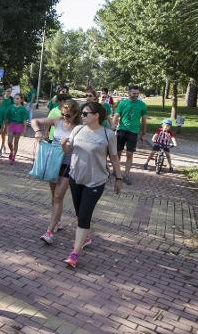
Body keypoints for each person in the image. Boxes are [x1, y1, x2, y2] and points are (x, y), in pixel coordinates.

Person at [62, 102, 122, 268]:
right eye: (82, 113)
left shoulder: (108, 134)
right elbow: (68, 150)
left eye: (85, 113)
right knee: (79, 212)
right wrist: (63, 145)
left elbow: (114, 157)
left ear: (96, 116)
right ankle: (85, 237)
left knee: (84, 215)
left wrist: (119, 178)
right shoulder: (78, 130)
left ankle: (74, 254)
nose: (82, 116)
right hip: (75, 177)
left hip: (96, 180)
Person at [32, 99, 81, 244]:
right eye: (64, 114)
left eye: (68, 115)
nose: (65, 117)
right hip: (53, 163)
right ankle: (58, 221)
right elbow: (35, 121)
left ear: (75, 114)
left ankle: (49, 232)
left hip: (68, 165)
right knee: (54, 197)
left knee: (59, 197)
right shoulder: (57, 121)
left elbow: (77, 148)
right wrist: (38, 132)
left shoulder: (78, 128)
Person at [113, 85, 147, 185]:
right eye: (133, 93)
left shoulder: (142, 105)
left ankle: (126, 175)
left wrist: (143, 133)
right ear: (129, 93)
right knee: (118, 153)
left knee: (129, 154)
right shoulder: (123, 103)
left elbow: (144, 120)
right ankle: (116, 171)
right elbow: (116, 116)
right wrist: (113, 127)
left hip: (133, 132)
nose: (135, 95)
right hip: (121, 130)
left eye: (137, 94)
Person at [5, 93, 28, 164]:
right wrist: (5, 126)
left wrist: (25, 129)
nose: (16, 100)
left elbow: (24, 120)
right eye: (15, 98)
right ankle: (11, 151)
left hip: (19, 125)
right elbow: (7, 117)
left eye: (17, 98)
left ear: (21, 100)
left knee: (16, 142)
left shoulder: (23, 109)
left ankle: (14, 156)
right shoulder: (10, 107)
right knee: (9, 142)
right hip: (12, 124)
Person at [0, 88, 14, 155]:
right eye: (8, 91)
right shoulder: (1, 98)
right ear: (5, 91)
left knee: (3, 134)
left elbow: (13, 108)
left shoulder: (11, 99)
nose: (9, 93)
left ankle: (1, 148)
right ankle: (3, 146)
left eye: (10, 92)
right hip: (0, 118)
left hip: (8, 119)